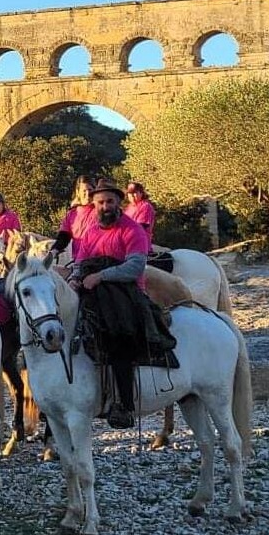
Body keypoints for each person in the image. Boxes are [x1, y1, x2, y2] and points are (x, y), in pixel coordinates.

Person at [69, 178, 153, 429]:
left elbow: (135, 266)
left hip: (124, 292)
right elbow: (80, 261)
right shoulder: (91, 231)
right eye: (100, 203)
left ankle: (124, 404)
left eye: (109, 202)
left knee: (118, 337)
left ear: (118, 203)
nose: (104, 206)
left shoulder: (132, 230)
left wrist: (102, 276)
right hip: (92, 290)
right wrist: (74, 279)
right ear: (93, 205)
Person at [50, 175, 96, 262]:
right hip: (78, 260)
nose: (87, 194)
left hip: (97, 260)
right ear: (78, 192)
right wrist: (55, 250)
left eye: (90, 190)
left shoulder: (100, 211)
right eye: (84, 191)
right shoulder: (72, 214)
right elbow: (64, 237)